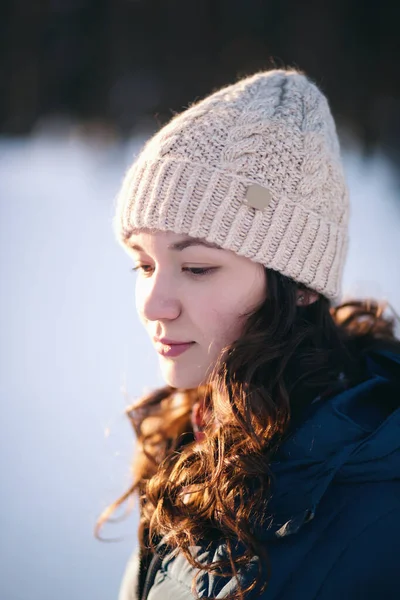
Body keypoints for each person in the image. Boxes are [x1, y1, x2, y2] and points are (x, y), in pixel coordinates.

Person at [100, 68, 400, 599]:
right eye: (143, 265)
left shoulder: (377, 506)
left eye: (196, 267)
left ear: (299, 286)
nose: (153, 304)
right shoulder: (187, 435)